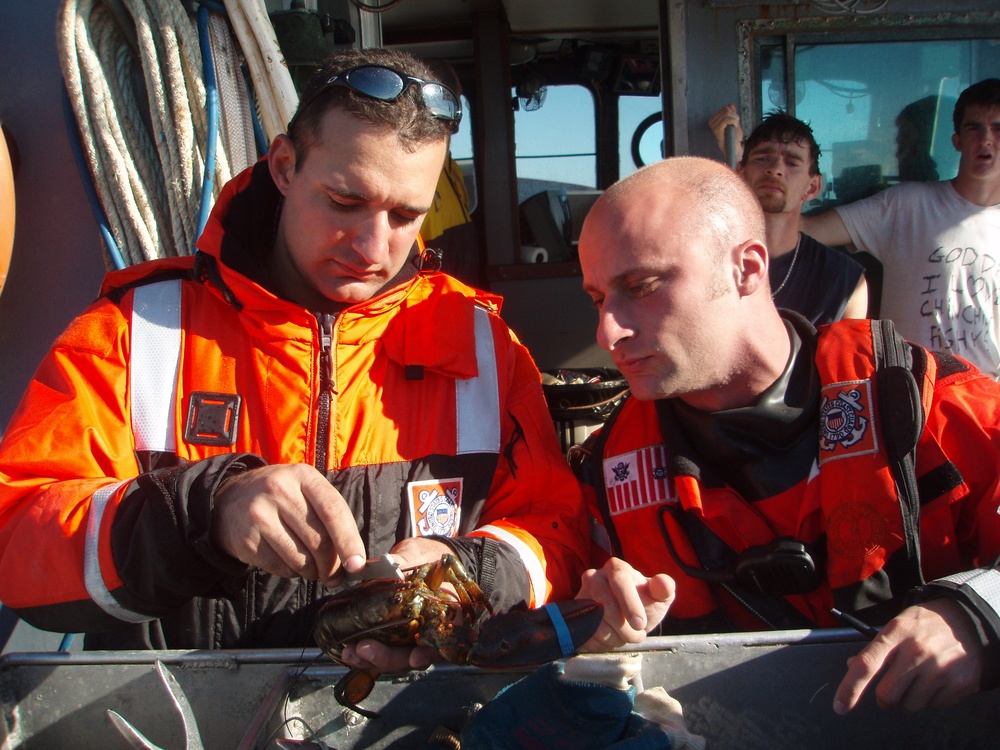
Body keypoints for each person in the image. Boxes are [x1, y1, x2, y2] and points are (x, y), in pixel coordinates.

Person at [0, 48, 590, 662]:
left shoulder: (485, 348)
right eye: (343, 201)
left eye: (405, 215)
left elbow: (560, 532)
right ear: (284, 166)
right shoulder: (137, 329)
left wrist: (468, 571)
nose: (371, 247)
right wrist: (206, 510)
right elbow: (15, 538)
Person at [573, 155, 1000, 716]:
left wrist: (978, 615)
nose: (608, 331)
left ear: (747, 268)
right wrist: (591, 628)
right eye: (598, 298)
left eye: (642, 285)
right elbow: (551, 632)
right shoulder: (604, 477)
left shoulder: (926, 405)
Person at [801, 79, 1000, 379]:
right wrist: (745, 163)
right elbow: (801, 231)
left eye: (998, 128)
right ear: (957, 140)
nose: (986, 140)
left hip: (986, 407)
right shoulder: (905, 205)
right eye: (974, 128)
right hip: (910, 399)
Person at [708, 106, 868, 324]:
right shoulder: (705, 261)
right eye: (762, 158)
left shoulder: (845, 281)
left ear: (812, 187)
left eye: (792, 163)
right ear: (741, 175)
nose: (775, 169)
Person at [418, 58, 482, 288]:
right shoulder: (412, 162)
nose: (457, 114)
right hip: (433, 261)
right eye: (451, 99)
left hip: (461, 259)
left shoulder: (448, 162)